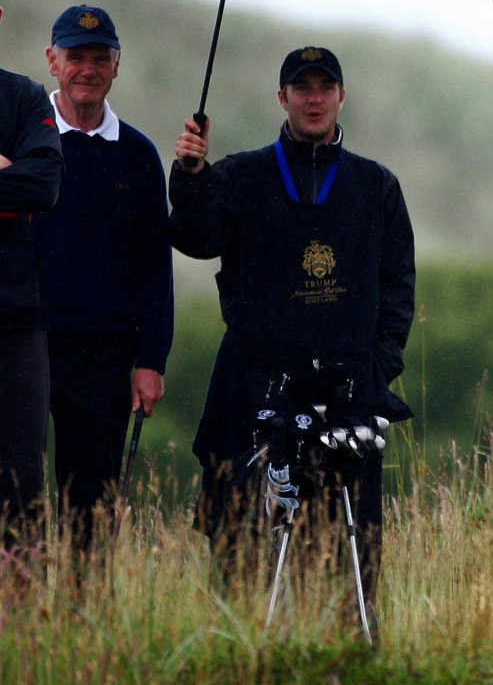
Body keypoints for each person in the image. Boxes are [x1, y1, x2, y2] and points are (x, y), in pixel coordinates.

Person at [169, 45, 414, 617]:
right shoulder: (238, 175)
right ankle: (242, 650)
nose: (314, 98)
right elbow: (196, 239)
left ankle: (342, 656)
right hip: (253, 382)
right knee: (239, 537)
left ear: (341, 96)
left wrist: (377, 373)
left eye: (324, 87)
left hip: (346, 392)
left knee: (346, 549)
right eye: (301, 88)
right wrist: (190, 174)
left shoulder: (376, 185)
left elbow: (398, 287)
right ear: (282, 98)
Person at [33, 5, 173, 550]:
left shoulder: (138, 155)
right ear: (52, 61)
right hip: (23, 338)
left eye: (99, 58)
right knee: (14, 488)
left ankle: (82, 618)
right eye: (75, 57)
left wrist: (152, 360)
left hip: (106, 354)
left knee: (89, 502)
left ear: (117, 66)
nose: (86, 69)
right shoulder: (22, 140)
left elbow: (153, 268)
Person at [0, 3, 64, 543]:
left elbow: (41, 186)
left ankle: (20, 621)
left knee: (21, 483)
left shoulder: (23, 97)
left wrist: (17, 178)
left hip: (15, 318)